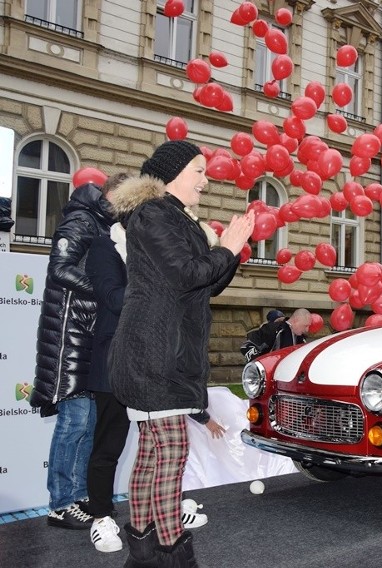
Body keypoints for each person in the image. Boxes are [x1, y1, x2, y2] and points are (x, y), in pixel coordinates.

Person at [109, 140, 254, 566]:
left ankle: (142, 549)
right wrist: (225, 247)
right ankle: (171, 553)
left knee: (154, 455)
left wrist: (232, 249)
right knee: (169, 454)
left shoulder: (173, 217)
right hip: (154, 354)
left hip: (162, 352)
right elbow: (186, 275)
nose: (205, 182)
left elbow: (203, 287)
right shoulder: (154, 214)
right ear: (173, 172)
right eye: (199, 171)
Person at [84, 174, 224, 553]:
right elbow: (116, 297)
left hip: (157, 352)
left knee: (152, 450)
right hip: (128, 354)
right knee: (122, 447)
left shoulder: (151, 236)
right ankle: (109, 520)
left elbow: (196, 284)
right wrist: (155, 282)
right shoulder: (110, 244)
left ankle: (149, 541)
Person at [30, 174, 116, 529]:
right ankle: (60, 503)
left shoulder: (101, 222)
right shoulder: (81, 219)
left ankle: (78, 496)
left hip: (87, 334)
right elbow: (60, 269)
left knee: (88, 422)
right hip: (69, 336)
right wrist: (103, 290)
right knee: (74, 422)